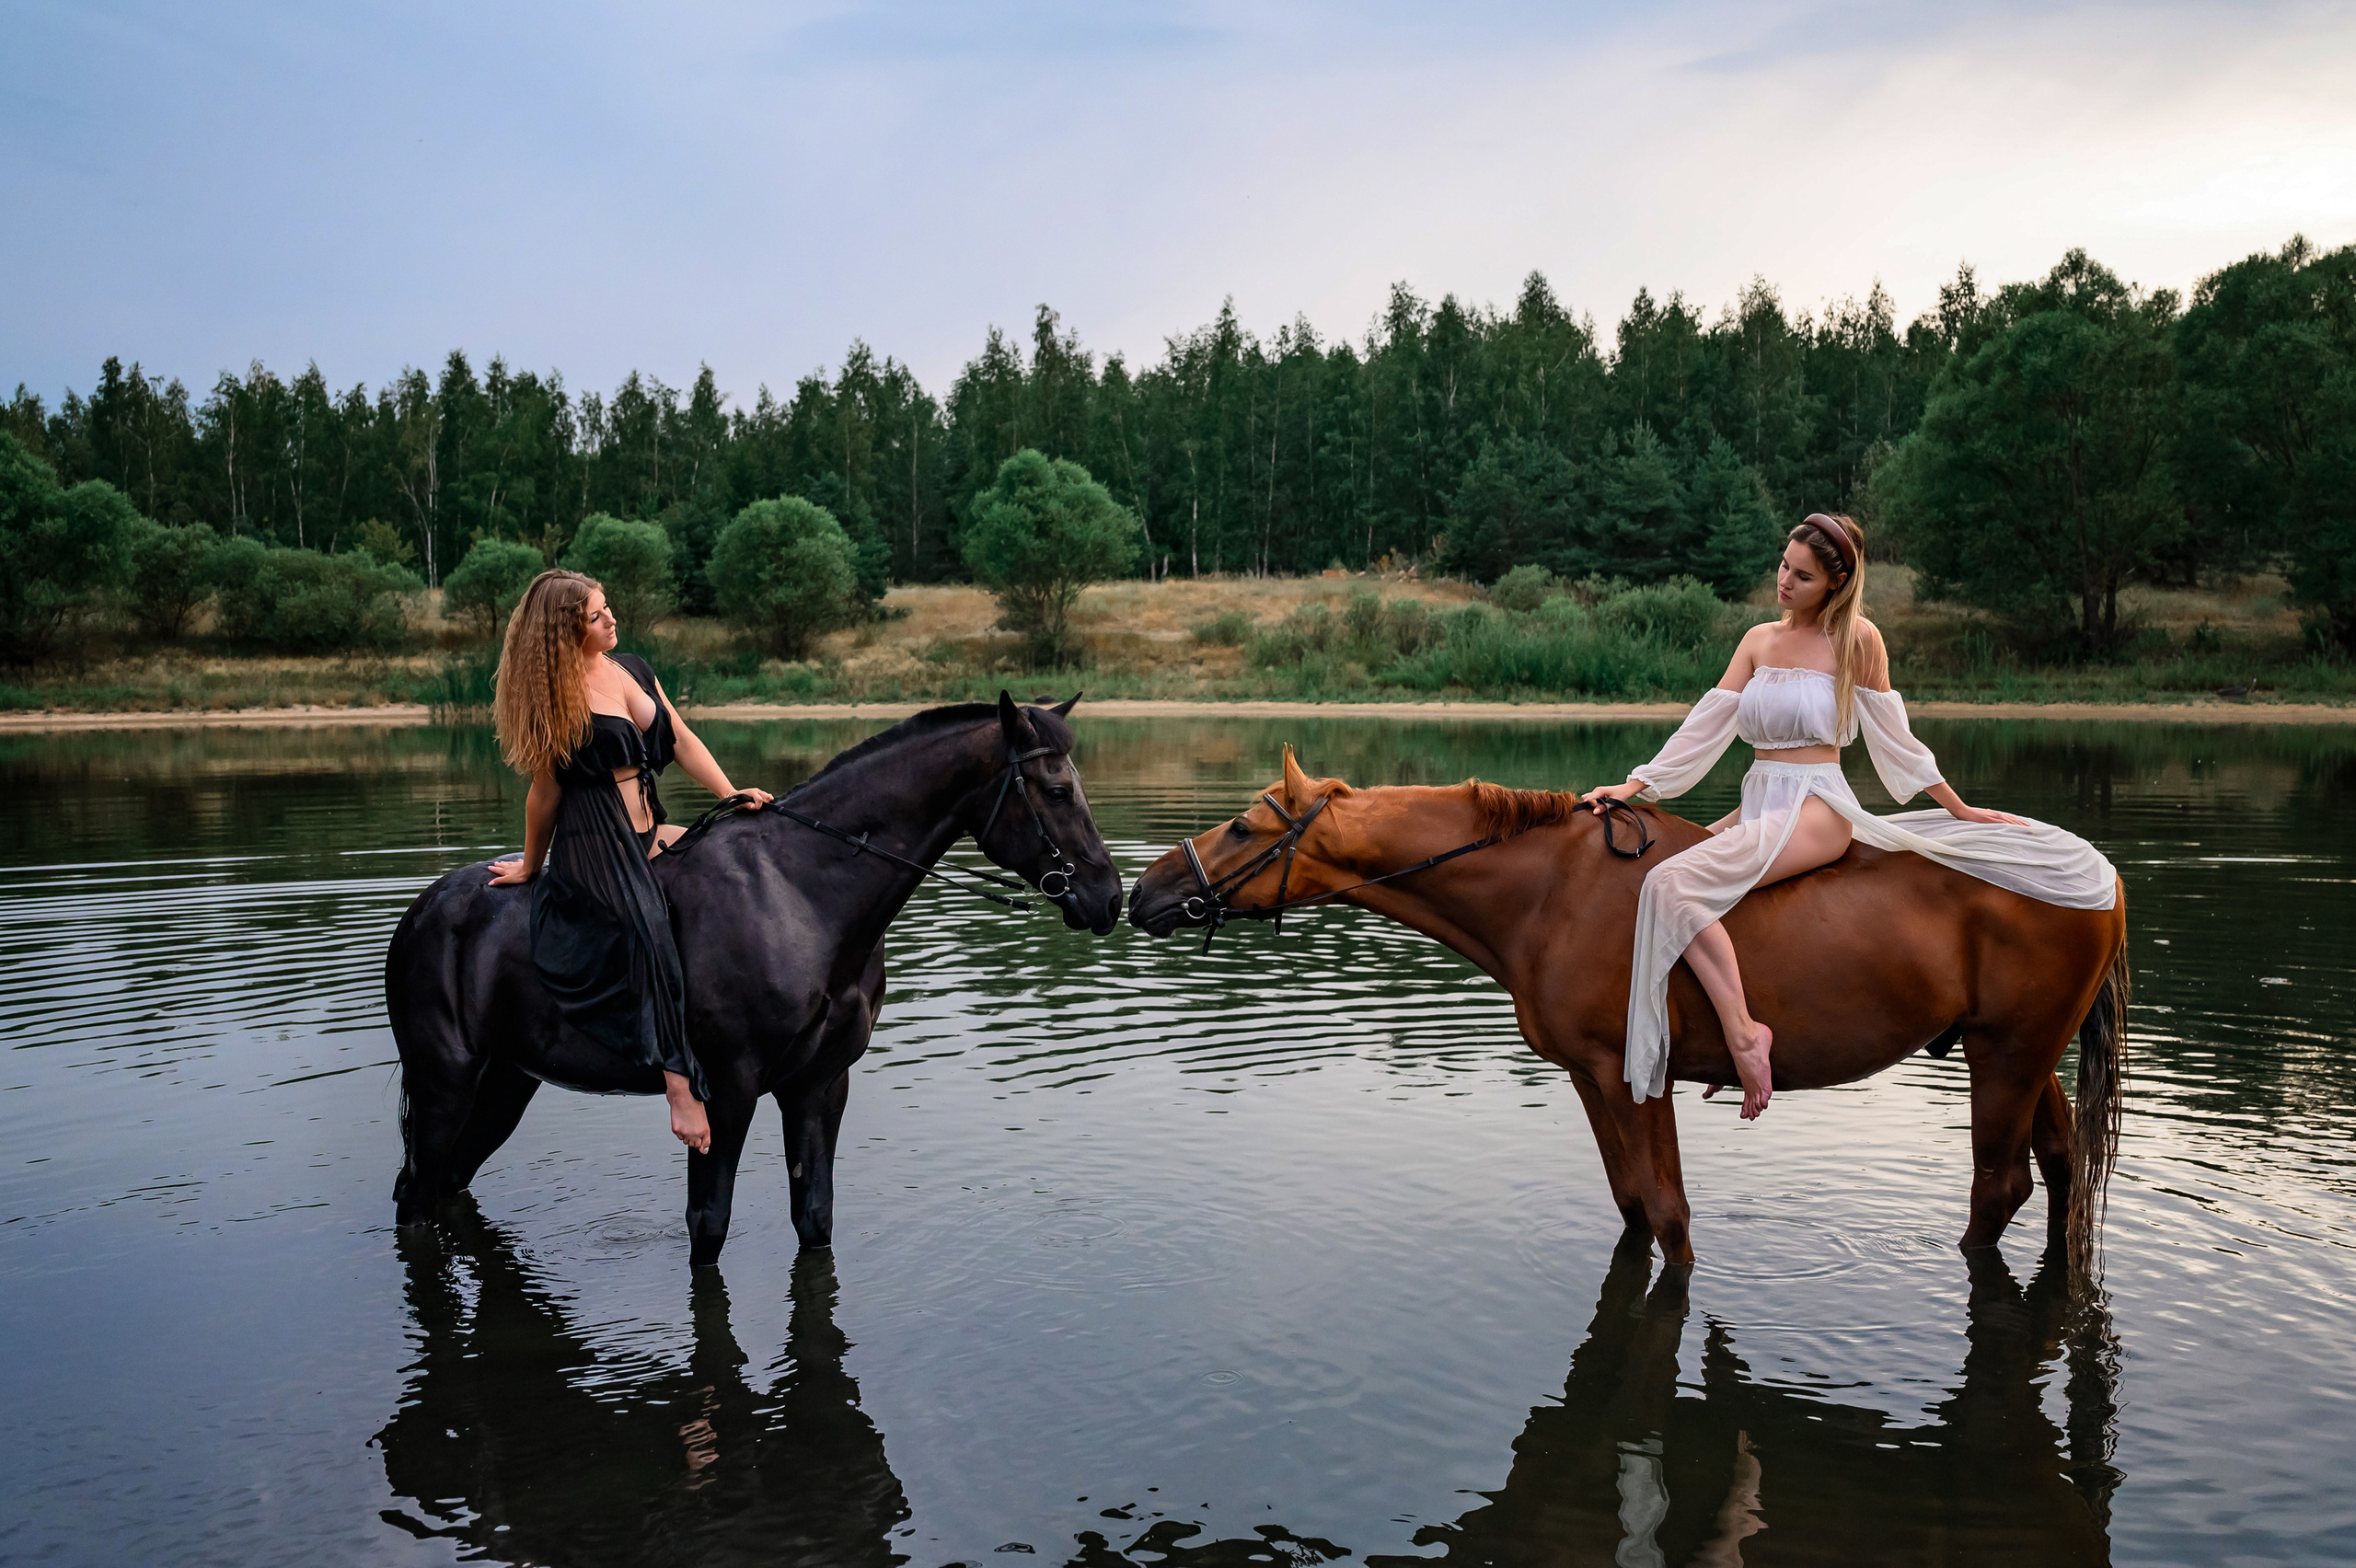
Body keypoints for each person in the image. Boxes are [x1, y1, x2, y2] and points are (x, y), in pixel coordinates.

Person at [1581, 514, 2117, 1120]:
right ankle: (1709, 1028)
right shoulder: (1758, 639)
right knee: (1662, 872)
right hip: (1758, 802)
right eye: (1784, 565)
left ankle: (1743, 1036)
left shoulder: (1858, 640)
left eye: (1802, 576)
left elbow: (1896, 738)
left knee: (1670, 885)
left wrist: (1959, 808)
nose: (1785, 581)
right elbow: (1704, 727)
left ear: (1834, 586)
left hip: (1817, 807)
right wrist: (1634, 784)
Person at [486, 570, 773, 1154]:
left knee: (732, 864)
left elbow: (684, 739)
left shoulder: (631, 668)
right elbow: (544, 794)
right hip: (591, 845)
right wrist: (531, 866)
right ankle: (678, 1085)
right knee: (649, 919)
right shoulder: (556, 697)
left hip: (644, 830)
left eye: (607, 607)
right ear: (565, 633)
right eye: (596, 616)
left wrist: (729, 795)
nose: (611, 619)